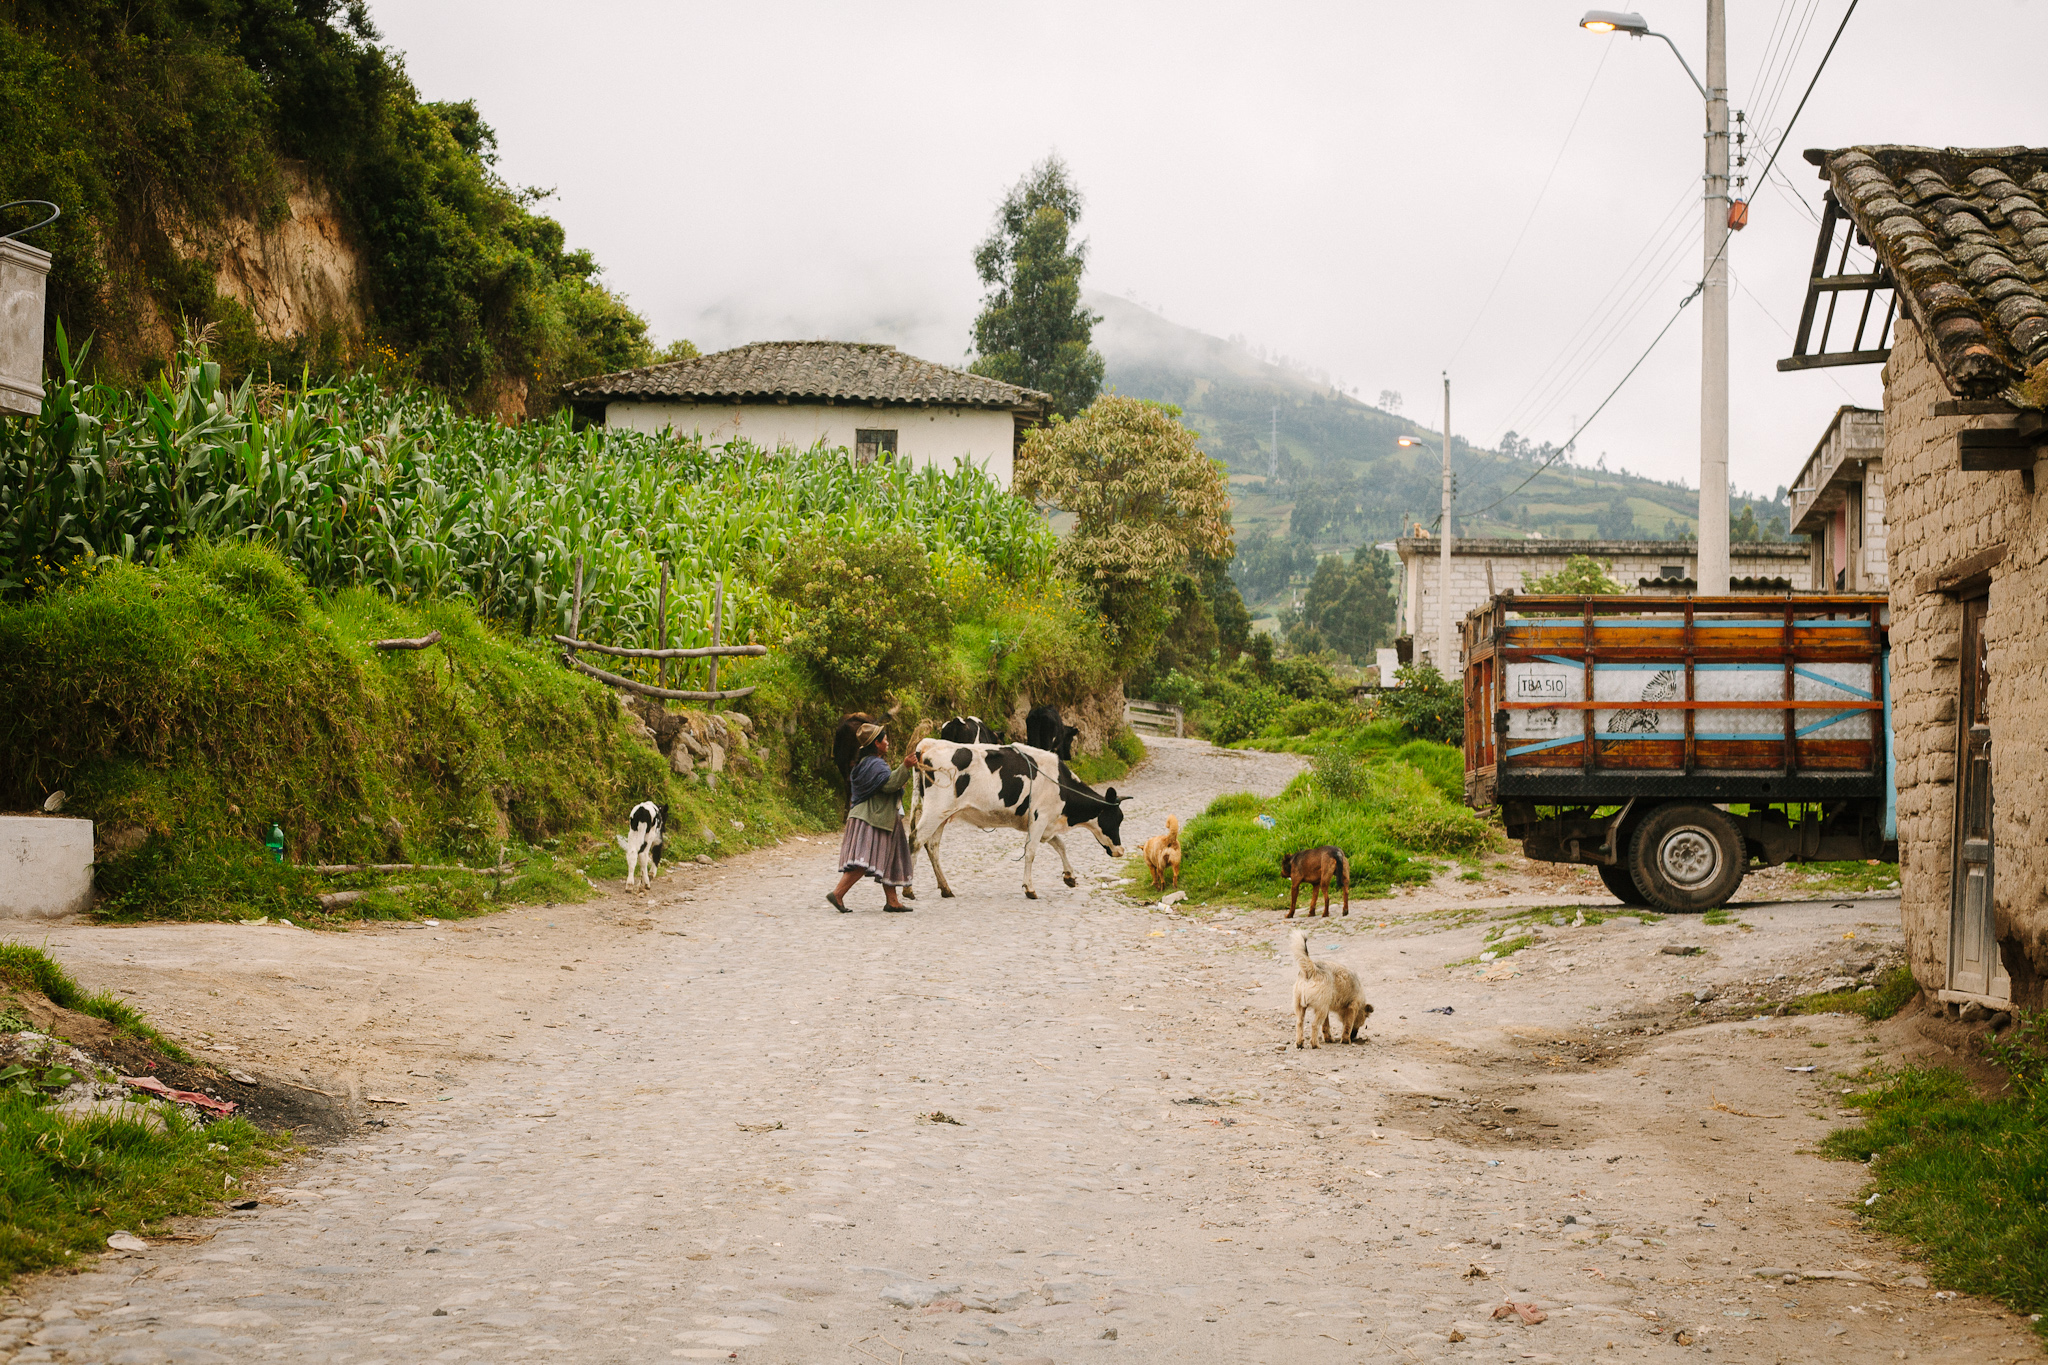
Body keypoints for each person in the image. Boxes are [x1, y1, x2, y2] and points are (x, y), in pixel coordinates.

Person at [827, 722, 914, 912]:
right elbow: (889, 785)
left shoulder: (867, 764)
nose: (888, 742)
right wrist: (905, 767)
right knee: (862, 861)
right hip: (871, 819)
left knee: (891, 857)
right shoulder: (874, 764)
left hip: (879, 817)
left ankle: (892, 901)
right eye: (885, 739)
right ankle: (838, 894)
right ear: (876, 743)